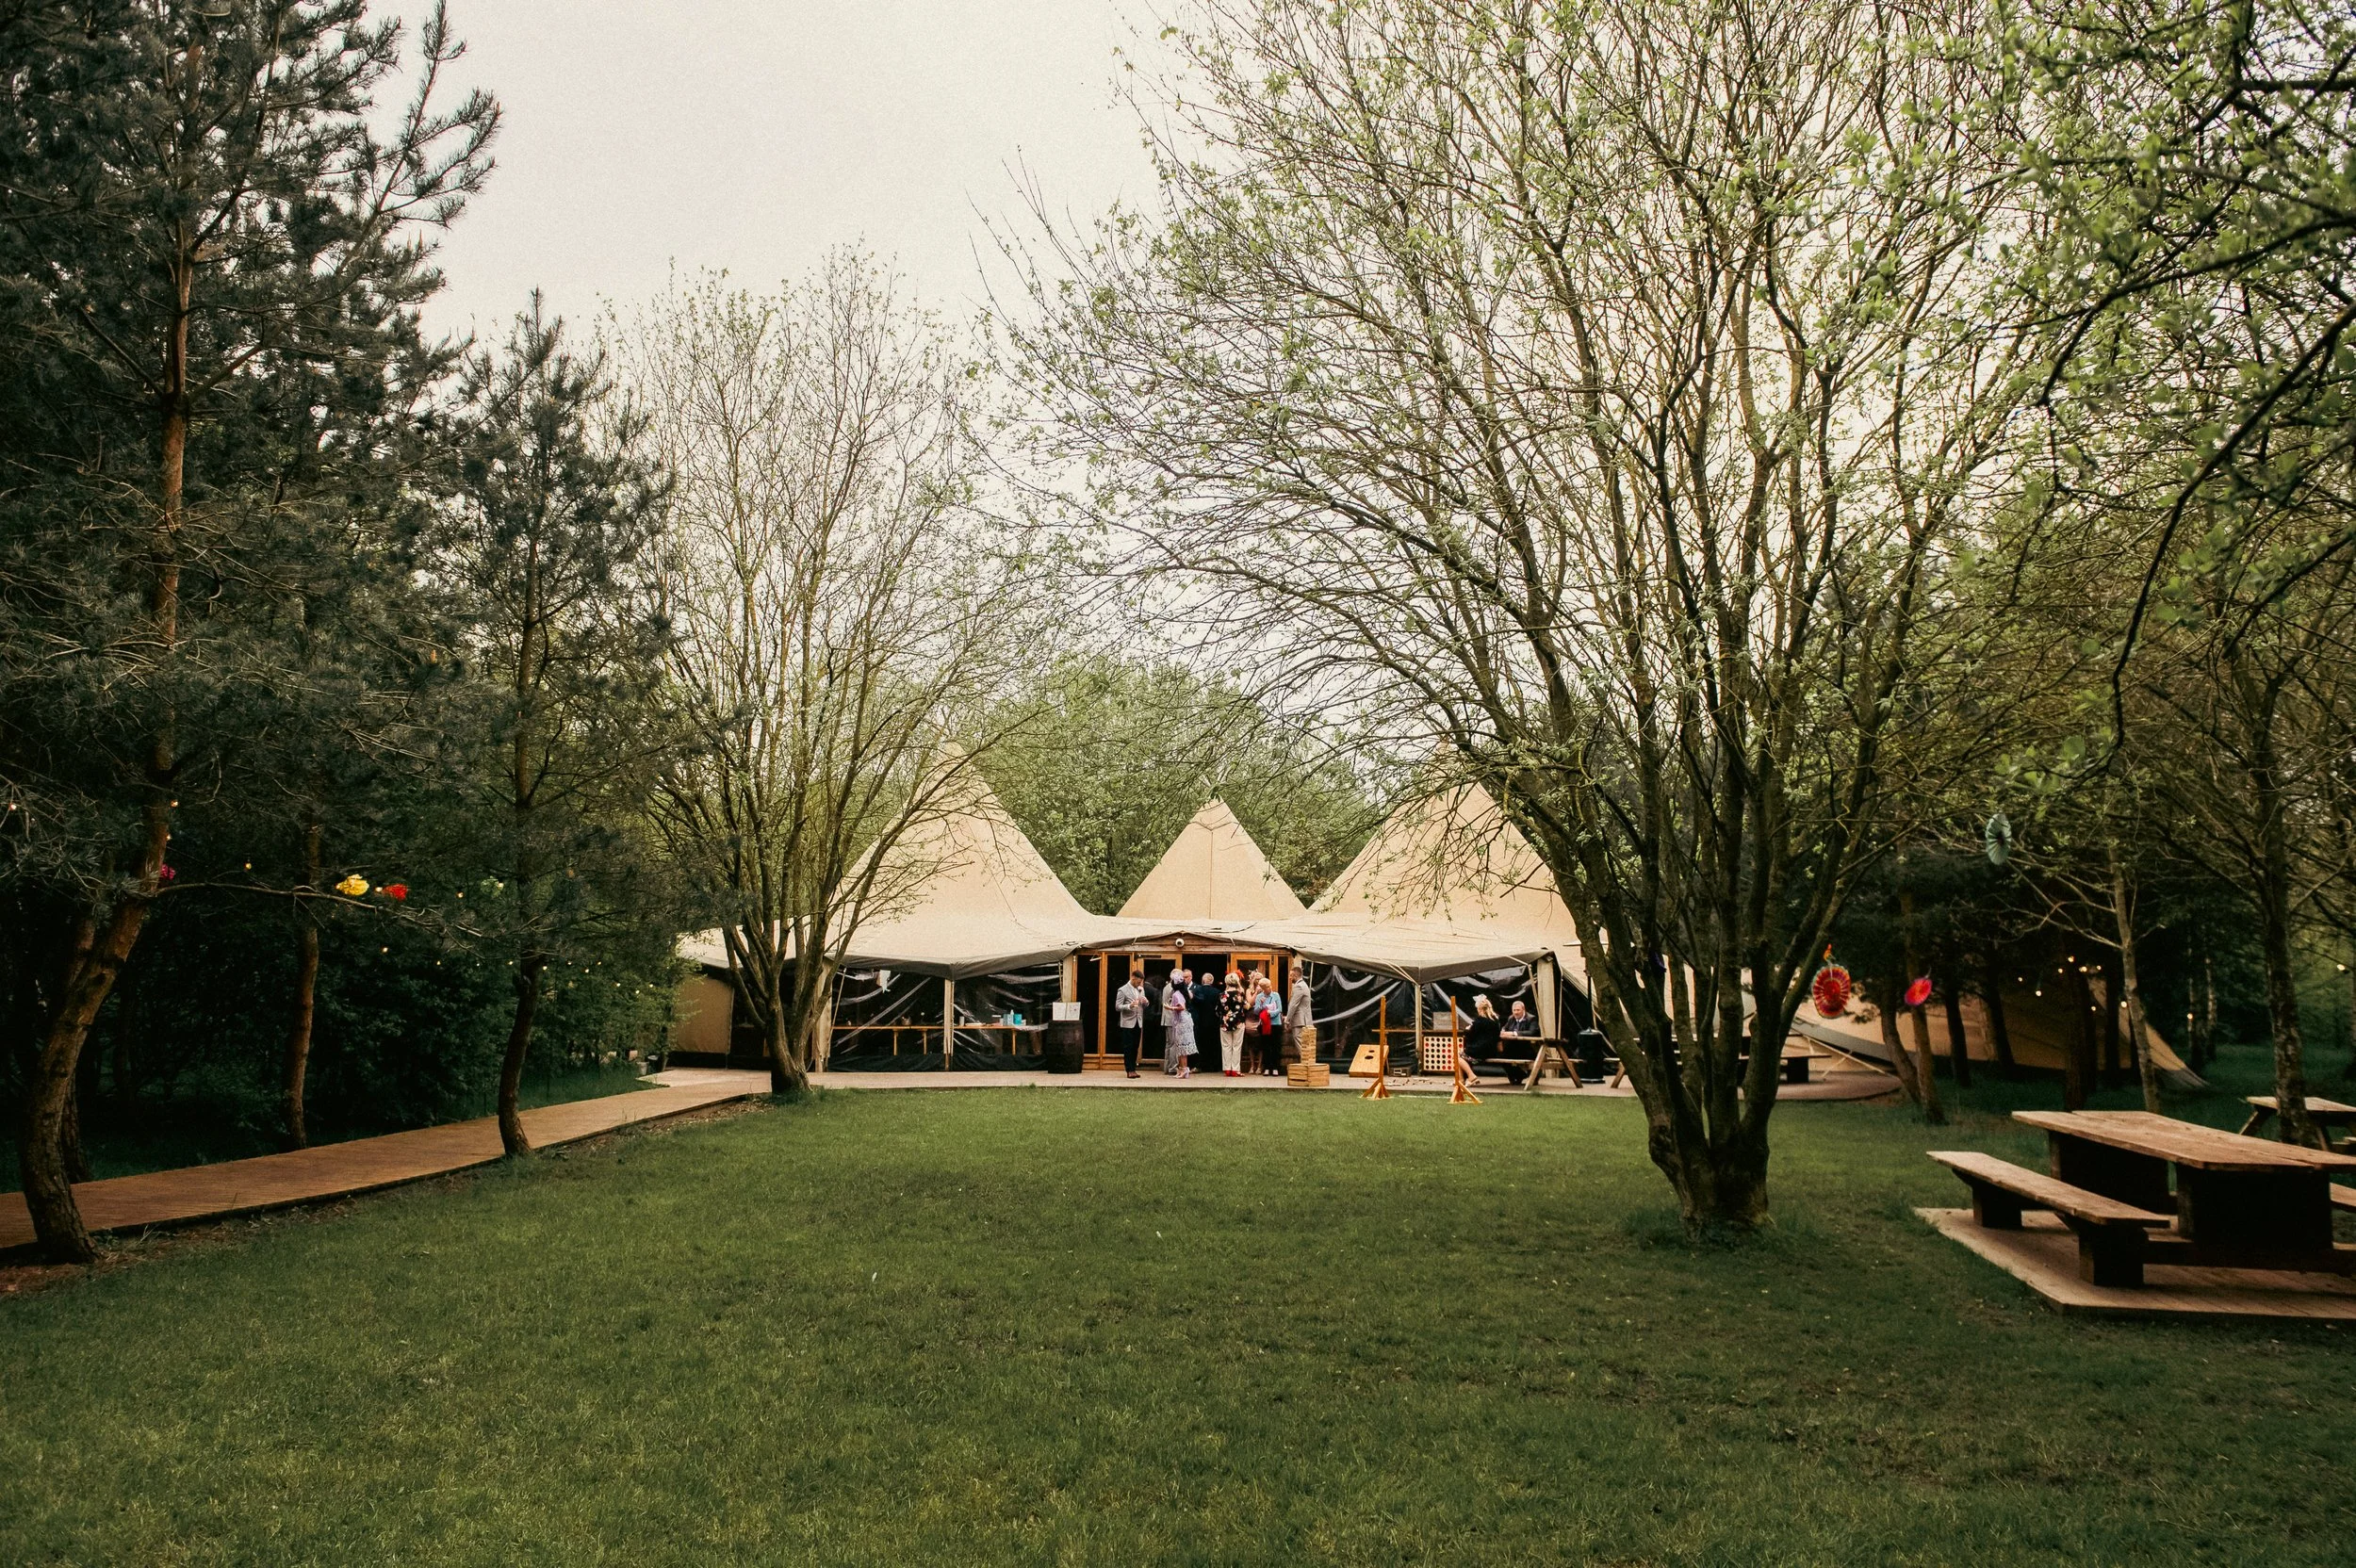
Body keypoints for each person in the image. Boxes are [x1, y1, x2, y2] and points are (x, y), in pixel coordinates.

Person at [1461, 993, 1522, 1085]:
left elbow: (1471, 1035)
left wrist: (1466, 1030)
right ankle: (1460, 1080)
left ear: (1480, 1009)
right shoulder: (1496, 1020)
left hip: (1479, 1051)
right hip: (1491, 1050)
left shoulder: (1479, 1021)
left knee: (1458, 1057)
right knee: (1461, 1056)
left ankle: (1471, 1076)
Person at [1162, 971, 1197, 1077]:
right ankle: (1182, 1069)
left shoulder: (1177, 994)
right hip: (1184, 1019)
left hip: (1181, 1021)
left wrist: (1170, 1007)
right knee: (1181, 1047)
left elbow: (1181, 1007)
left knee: (1181, 1046)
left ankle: (1183, 1070)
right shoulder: (1184, 992)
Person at [1114, 968, 1147, 1078]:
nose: (1139, 984)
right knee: (1128, 1046)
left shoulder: (1140, 989)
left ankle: (1134, 1069)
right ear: (1133, 978)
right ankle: (1129, 1070)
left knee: (1136, 1046)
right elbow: (1117, 1007)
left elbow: (1143, 1005)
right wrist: (1129, 1006)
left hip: (1139, 1022)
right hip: (1128, 1023)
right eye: (1138, 982)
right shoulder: (1122, 990)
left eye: (1141, 982)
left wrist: (1146, 1002)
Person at [1250, 972, 1284, 1075]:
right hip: (1264, 1024)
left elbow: (1279, 1009)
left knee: (1275, 1046)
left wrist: (1271, 1013)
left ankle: (1275, 1068)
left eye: (1270, 986)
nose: (1270, 988)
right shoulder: (1260, 996)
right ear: (1263, 988)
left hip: (1275, 1023)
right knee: (1266, 1046)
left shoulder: (1276, 995)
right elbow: (1256, 1011)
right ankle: (1267, 1067)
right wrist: (1261, 1005)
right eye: (1267, 987)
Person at [1188, 969, 1222, 1068]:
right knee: (1213, 1044)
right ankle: (1213, 1065)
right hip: (1213, 1021)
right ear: (1212, 981)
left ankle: (1200, 1065)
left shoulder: (1198, 990)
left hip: (1200, 1020)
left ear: (1203, 981)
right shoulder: (1218, 992)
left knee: (1200, 1043)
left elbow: (1195, 1004)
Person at [1219, 973, 1250, 1076]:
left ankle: (1227, 1068)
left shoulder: (1221, 994)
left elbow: (1217, 1010)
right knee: (1237, 1046)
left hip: (1225, 1022)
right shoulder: (1240, 994)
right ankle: (1235, 1069)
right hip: (1238, 1022)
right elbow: (1247, 1006)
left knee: (1226, 1046)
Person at [1285, 966, 1315, 1070]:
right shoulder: (1303, 985)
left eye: (1290, 976)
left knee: (1300, 1041)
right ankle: (1307, 1063)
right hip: (1304, 1019)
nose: (1290, 978)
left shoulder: (1299, 987)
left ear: (1295, 975)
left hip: (1300, 1019)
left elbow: (1294, 1004)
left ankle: (1306, 1064)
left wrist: (1287, 1019)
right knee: (1304, 1042)